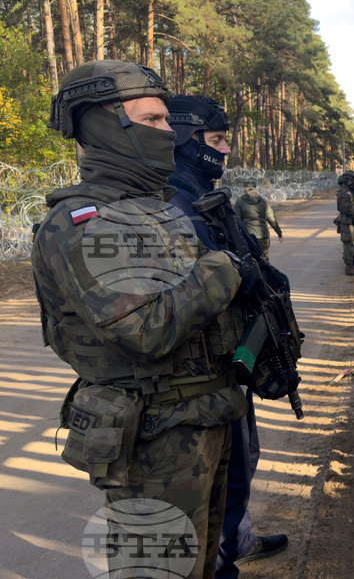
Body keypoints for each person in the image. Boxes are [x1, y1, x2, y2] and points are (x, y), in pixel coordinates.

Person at [32, 60, 250, 578]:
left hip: (200, 418)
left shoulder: (154, 211)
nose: (167, 132)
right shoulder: (83, 223)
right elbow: (144, 330)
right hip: (153, 437)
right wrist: (225, 269)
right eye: (152, 120)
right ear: (107, 124)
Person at [165, 95, 289, 576]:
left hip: (225, 361)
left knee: (240, 461)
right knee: (225, 474)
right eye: (217, 141)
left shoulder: (199, 193)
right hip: (202, 371)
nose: (225, 151)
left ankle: (237, 540)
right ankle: (223, 561)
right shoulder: (172, 200)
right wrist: (244, 276)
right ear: (186, 140)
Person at [234, 184, 283, 259]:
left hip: (249, 237)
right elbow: (271, 219)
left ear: (244, 190)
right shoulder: (263, 202)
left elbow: (237, 221)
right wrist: (279, 233)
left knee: (251, 260)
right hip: (263, 236)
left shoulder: (239, 202)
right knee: (264, 259)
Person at [335, 173, 354, 276]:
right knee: (348, 244)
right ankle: (349, 267)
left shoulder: (349, 192)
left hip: (350, 221)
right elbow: (348, 209)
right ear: (348, 181)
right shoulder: (344, 193)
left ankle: (352, 263)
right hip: (347, 221)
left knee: (352, 244)